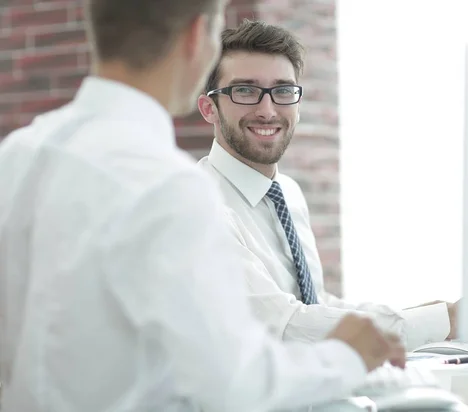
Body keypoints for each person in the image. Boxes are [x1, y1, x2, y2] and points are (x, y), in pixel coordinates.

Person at [0, 2, 406, 411]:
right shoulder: (169, 187)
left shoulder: (17, 154)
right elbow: (236, 387)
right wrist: (346, 357)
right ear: (198, 36)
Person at [197, 19, 460, 351]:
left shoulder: (286, 193)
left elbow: (315, 306)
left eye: (283, 91)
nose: (267, 110)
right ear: (210, 108)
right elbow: (286, 326)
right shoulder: (200, 207)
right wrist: (440, 322)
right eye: (245, 90)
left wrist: (425, 316)